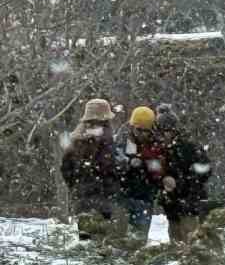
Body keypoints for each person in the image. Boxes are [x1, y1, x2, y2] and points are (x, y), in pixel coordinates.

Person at [60, 98, 123, 239]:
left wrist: (75, 186)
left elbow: (65, 168)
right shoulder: (106, 138)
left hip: (82, 198)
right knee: (101, 243)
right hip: (103, 199)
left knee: (86, 241)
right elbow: (110, 166)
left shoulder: (75, 140)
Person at [152, 103, 212, 243]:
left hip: (190, 203)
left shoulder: (188, 147)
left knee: (192, 240)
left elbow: (204, 170)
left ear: (173, 130)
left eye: (165, 131)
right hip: (172, 206)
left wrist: (181, 183)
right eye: (160, 132)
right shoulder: (159, 150)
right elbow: (154, 172)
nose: (162, 135)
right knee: (176, 240)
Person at [117, 105, 163, 241]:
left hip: (145, 197)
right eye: (139, 130)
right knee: (120, 240)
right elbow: (115, 163)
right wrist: (127, 163)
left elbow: (159, 168)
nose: (141, 134)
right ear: (132, 127)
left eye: (145, 131)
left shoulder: (156, 144)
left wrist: (145, 163)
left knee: (139, 238)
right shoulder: (123, 140)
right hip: (123, 196)